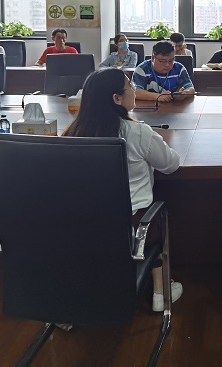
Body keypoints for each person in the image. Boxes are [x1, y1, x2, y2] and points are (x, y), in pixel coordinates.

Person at [63, 67, 182, 311]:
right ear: (117, 98)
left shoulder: (72, 133)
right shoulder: (137, 132)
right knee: (152, 214)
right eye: (131, 87)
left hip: (80, 222)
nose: (135, 91)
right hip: (132, 225)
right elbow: (171, 165)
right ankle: (160, 291)